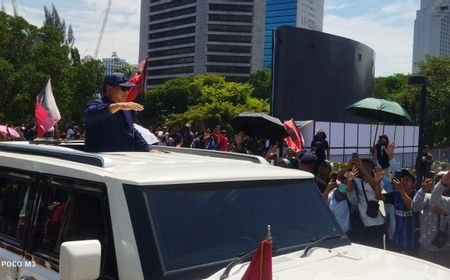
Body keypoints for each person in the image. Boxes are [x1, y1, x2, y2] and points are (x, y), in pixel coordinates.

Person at [83, 72, 151, 153]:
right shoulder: (96, 103)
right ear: (109, 89)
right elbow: (89, 115)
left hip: (123, 161)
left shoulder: (125, 109)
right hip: (100, 162)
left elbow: (132, 132)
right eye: (123, 88)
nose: (127, 92)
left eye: (128, 89)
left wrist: (148, 149)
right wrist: (119, 105)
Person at [412, 171, 450, 267]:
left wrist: (447, 213)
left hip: (445, 250)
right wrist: (422, 190)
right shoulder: (427, 197)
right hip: (426, 248)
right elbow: (415, 207)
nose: (441, 184)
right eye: (439, 181)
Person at [384, 169, 419, 255]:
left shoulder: (418, 195)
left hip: (412, 240)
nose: (404, 182)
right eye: (403, 180)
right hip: (396, 239)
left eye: (408, 180)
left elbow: (412, 206)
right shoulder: (395, 194)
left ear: (413, 183)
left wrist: (401, 190)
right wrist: (377, 182)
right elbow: (378, 196)